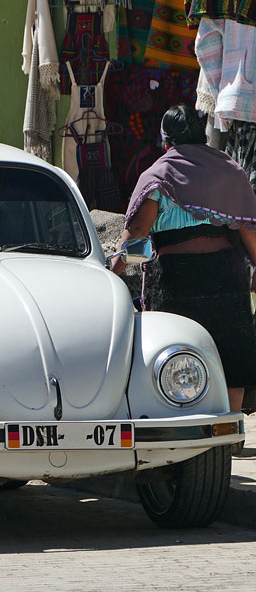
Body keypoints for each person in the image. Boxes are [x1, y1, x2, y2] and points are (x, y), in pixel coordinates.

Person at [111, 104, 256, 414]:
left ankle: (187, 424)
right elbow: (247, 230)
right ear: (202, 136)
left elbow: (137, 234)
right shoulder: (230, 170)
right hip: (226, 277)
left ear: (166, 140)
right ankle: (230, 427)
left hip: (178, 282)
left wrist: (112, 273)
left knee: (177, 354)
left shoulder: (159, 174)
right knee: (231, 352)